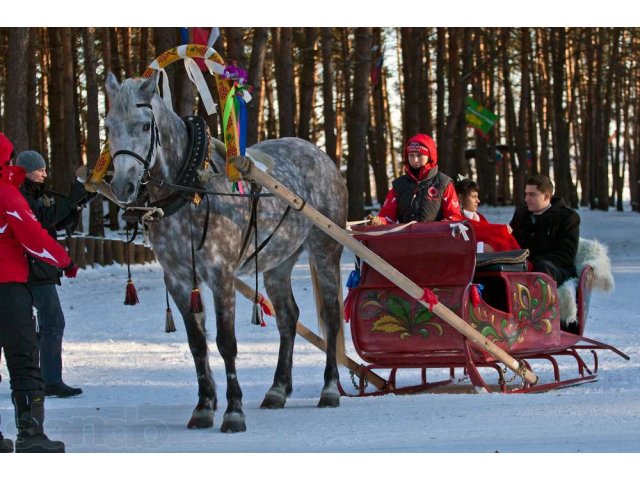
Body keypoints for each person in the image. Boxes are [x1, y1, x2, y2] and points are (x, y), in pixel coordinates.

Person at [0, 132, 78, 453]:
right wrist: (65, 260)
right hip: (8, 289)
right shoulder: (7, 195)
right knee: (23, 359)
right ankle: (31, 435)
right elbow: (33, 237)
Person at [16, 150, 90, 398]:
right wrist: (71, 201)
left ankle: (39, 377)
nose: (45, 174)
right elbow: (43, 218)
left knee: (40, 326)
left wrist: (76, 205)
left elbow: (56, 223)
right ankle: (49, 380)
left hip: (38, 269)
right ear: (26, 171)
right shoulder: (19, 194)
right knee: (52, 323)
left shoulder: (34, 193)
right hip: (32, 270)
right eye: (40, 170)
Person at [370, 133, 463, 225]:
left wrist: (439, 227)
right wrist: (379, 222)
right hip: (405, 238)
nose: (415, 160)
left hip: (435, 238)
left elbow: (454, 216)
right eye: (411, 155)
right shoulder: (399, 185)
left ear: (430, 156)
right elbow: (387, 217)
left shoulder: (443, 183)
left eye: (419, 155)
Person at [509, 174, 580, 285]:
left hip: (557, 270)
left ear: (546, 196)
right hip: (522, 266)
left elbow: (566, 256)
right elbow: (511, 243)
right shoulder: (521, 214)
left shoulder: (567, 217)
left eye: (532, 195)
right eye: (526, 194)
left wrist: (531, 262)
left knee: (542, 268)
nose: (526, 199)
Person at [454, 176, 520, 252]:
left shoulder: (479, 217)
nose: (478, 201)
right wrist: (501, 229)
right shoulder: (458, 219)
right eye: (473, 197)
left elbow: (489, 232)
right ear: (460, 198)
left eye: (477, 196)